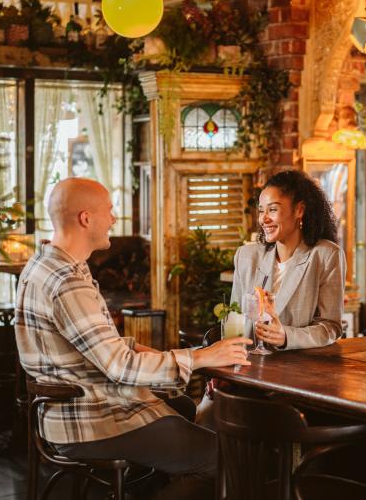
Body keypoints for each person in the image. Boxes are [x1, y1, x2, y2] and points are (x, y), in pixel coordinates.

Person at [15, 177, 251, 498]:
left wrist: (180, 355)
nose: (113, 219)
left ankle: (152, 486)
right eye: (109, 211)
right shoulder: (67, 282)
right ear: (86, 219)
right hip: (88, 420)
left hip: (67, 410)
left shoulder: (47, 263)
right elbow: (119, 367)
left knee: (181, 406)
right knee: (228, 458)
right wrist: (201, 357)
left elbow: (94, 347)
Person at [233, 169, 346, 350]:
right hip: (248, 368)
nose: (264, 219)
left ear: (299, 210)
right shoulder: (246, 257)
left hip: (297, 371)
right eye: (261, 211)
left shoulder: (326, 255)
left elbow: (331, 327)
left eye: (273, 209)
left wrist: (286, 336)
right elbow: (235, 321)